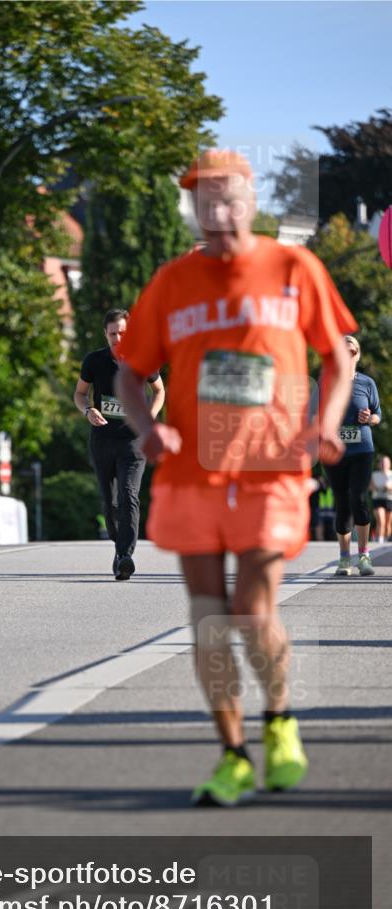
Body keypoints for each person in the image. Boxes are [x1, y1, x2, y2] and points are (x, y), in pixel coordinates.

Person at [115, 149, 354, 806]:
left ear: (248, 201)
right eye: (201, 197)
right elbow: (128, 373)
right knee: (207, 620)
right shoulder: (171, 281)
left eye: (225, 196)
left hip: (269, 467)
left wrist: (325, 421)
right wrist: (146, 427)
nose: (213, 208)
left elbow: (335, 356)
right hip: (191, 472)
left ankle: (278, 721)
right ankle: (231, 754)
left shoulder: (292, 267)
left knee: (251, 611)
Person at [74, 308, 165, 580]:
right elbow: (80, 394)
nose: (118, 338)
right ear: (106, 334)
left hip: (133, 442)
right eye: (113, 333)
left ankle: (126, 556)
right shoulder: (94, 361)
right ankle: (118, 547)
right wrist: (88, 410)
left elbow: (159, 390)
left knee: (129, 496)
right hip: (102, 441)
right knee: (110, 503)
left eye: (123, 333)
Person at [323, 335, 382, 575]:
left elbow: (378, 415)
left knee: (358, 499)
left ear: (357, 355)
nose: (348, 356)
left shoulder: (367, 383)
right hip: (334, 452)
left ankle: (364, 556)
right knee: (342, 503)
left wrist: (370, 418)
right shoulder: (327, 382)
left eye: (352, 351)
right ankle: (344, 559)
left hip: (362, 451)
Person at [370, 455, 392, 543]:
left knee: (388, 524)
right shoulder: (375, 474)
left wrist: (388, 487)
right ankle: (379, 540)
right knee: (381, 521)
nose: (384, 464)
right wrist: (375, 487)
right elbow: (370, 486)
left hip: (389, 499)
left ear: (389, 464)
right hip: (377, 499)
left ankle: (387, 539)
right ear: (379, 464)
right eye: (382, 462)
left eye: (386, 463)